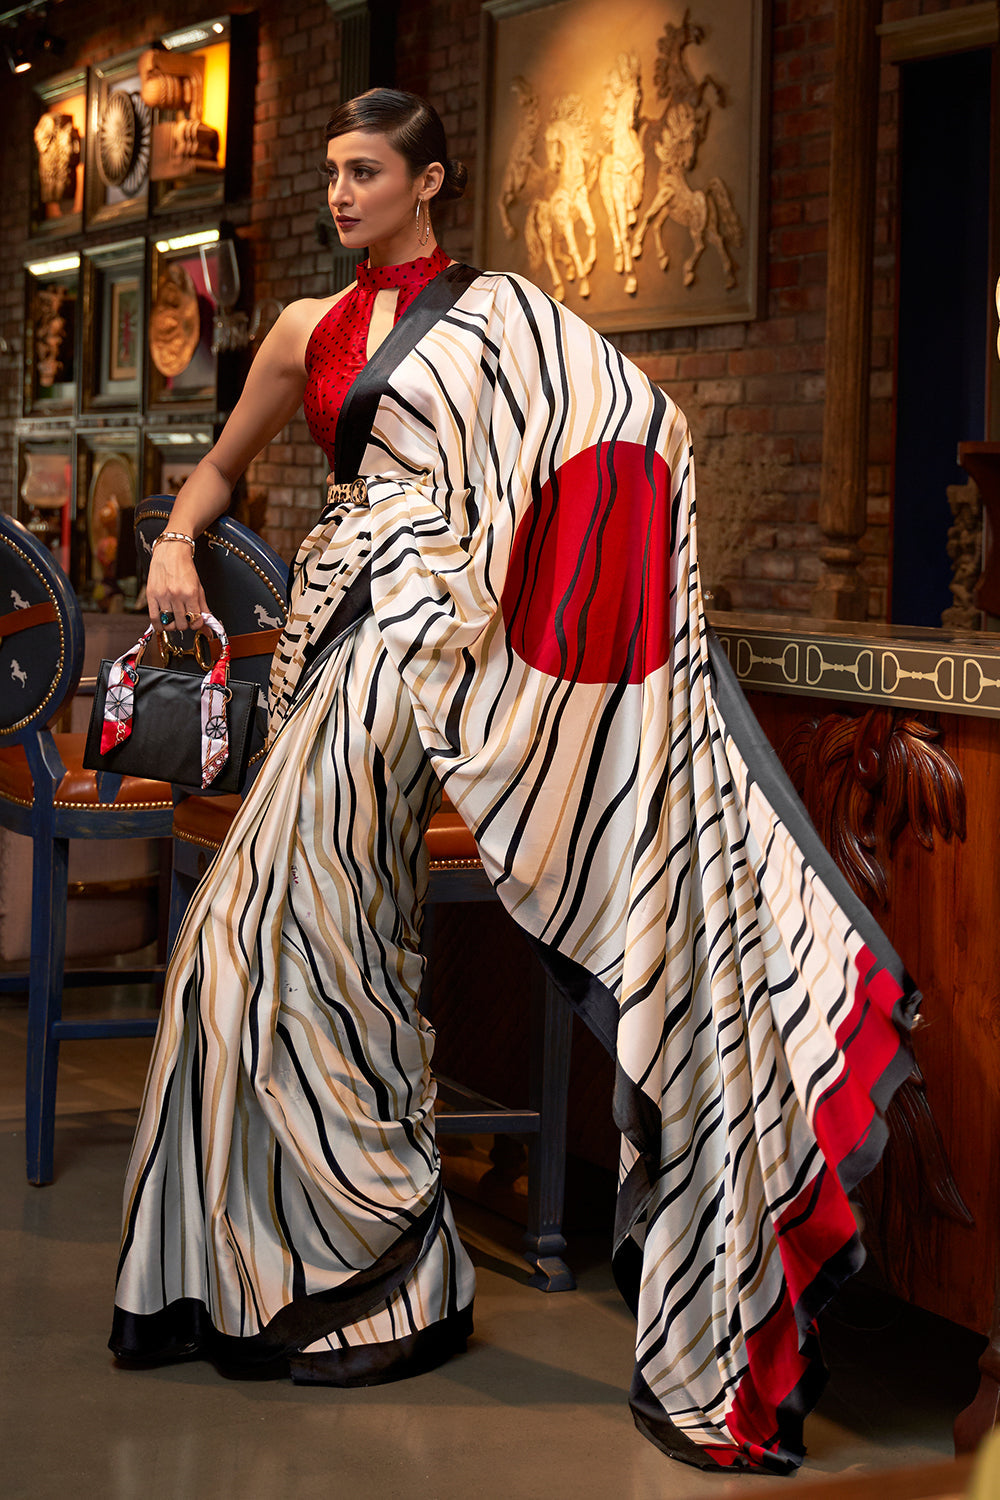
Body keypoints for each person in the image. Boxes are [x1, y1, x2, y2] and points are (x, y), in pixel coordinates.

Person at [110, 88, 919, 1476]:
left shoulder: (510, 318)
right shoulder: (307, 330)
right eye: (334, 175)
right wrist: (176, 542)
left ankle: (367, 1246)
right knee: (280, 941)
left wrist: (519, 565)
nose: (342, 195)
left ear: (430, 183)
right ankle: (334, 1263)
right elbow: (220, 475)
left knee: (272, 930)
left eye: (366, 172)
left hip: (435, 652)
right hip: (331, 640)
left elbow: (644, 431)